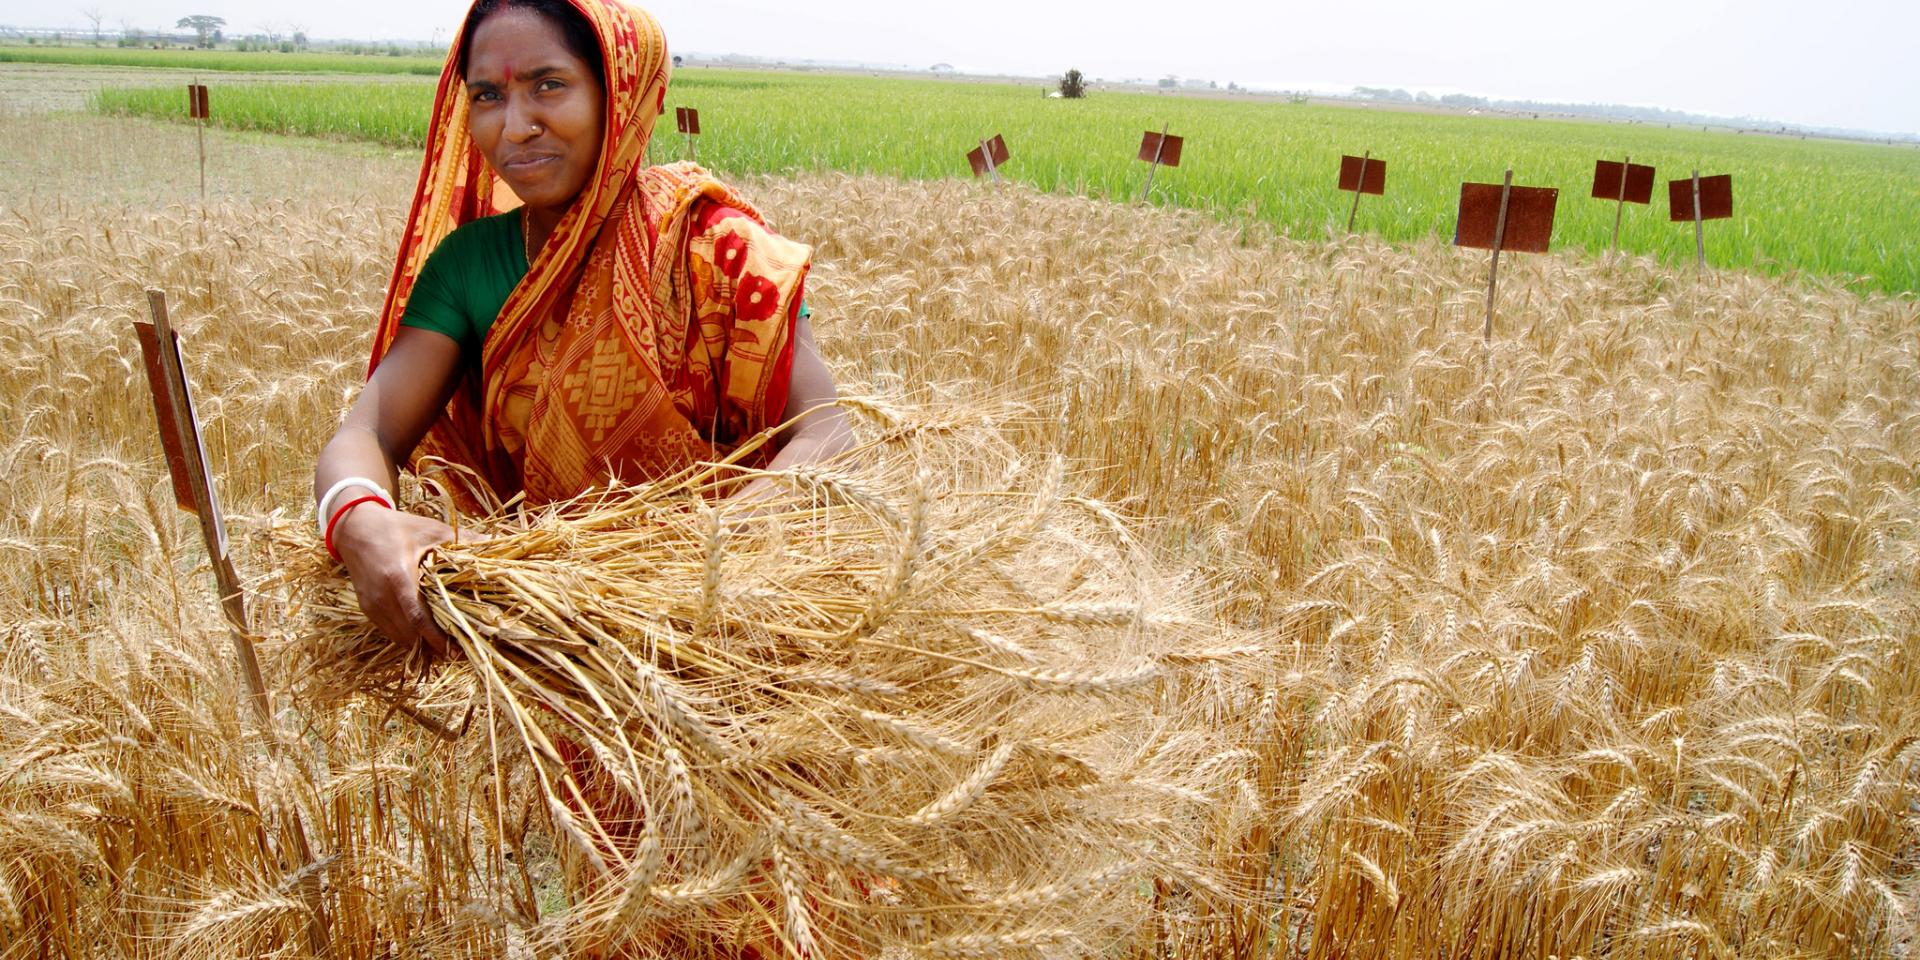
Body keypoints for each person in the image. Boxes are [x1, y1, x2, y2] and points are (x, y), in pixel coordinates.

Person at [314, 0, 852, 657]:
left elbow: (827, 434)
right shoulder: (468, 269)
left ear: (617, 94)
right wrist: (356, 517)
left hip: (736, 636)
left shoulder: (719, 249)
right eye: (487, 96)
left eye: (549, 85)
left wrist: (678, 577)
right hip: (565, 653)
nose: (515, 126)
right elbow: (368, 431)